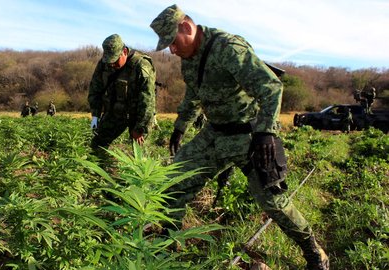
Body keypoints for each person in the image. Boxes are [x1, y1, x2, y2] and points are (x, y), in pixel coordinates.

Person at [150, 5, 328, 269]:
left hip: (249, 135)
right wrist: (180, 127)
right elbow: (193, 97)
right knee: (175, 180)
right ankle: (168, 241)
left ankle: (313, 251)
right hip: (215, 133)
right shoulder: (189, 60)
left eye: (172, 42)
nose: (172, 50)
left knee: (272, 200)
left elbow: (270, 86)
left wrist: (266, 132)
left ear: (187, 27)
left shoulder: (229, 48)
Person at [87, 34, 156, 153]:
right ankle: (101, 169)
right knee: (97, 145)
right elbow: (95, 89)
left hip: (138, 115)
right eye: (109, 61)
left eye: (115, 60)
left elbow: (148, 100)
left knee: (140, 153)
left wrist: (140, 128)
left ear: (124, 51)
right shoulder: (104, 64)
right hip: (116, 111)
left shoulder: (141, 65)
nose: (112, 64)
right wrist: (95, 114)